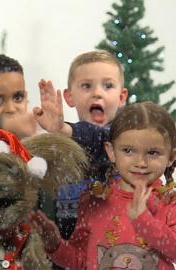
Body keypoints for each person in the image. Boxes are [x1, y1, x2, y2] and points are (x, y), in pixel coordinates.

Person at [30, 101, 176, 269]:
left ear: (171, 157)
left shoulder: (172, 201)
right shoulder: (94, 200)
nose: (140, 162)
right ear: (111, 152)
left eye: (152, 152)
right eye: (128, 150)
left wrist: (144, 221)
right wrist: (54, 245)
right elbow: (81, 261)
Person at [35, 50, 129, 241]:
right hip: (68, 254)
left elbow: (98, 139)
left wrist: (63, 129)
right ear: (69, 97)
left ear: (121, 96)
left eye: (108, 86)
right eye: (86, 86)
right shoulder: (59, 147)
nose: (97, 93)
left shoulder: (125, 143)